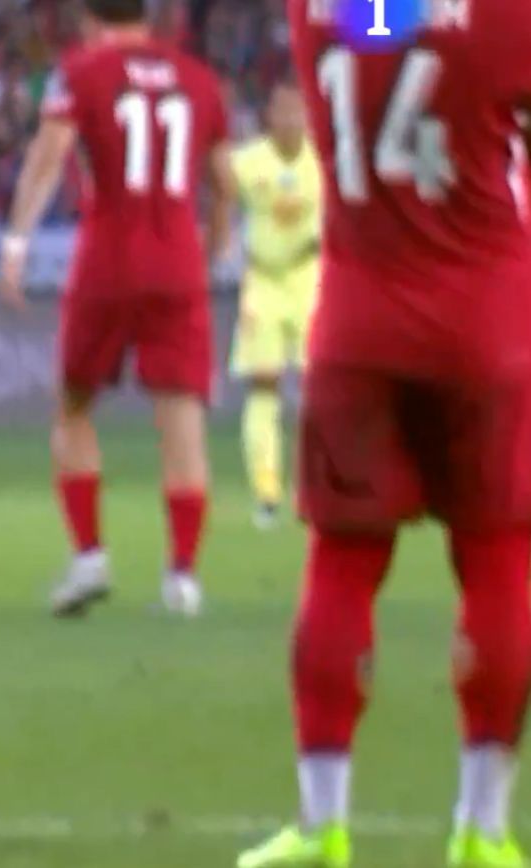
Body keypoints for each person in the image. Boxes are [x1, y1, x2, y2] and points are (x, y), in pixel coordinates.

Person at [237, 0, 531, 866]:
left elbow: (392, 25)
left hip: (355, 327)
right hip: (486, 328)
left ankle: (321, 824)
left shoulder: (320, 13)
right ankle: (483, 828)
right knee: (497, 557)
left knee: (342, 561)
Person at [0, 0, 235, 619]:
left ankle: (90, 557)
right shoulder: (199, 78)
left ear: (89, 19)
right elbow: (225, 182)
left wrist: (17, 243)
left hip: (109, 258)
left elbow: (50, 155)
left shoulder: (83, 71)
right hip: (178, 260)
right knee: (181, 420)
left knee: (74, 405)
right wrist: (214, 244)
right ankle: (182, 577)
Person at [230, 82, 323, 531]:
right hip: (262, 280)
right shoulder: (247, 162)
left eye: (297, 112)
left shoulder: (322, 161)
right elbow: (217, 189)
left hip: (309, 276)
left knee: (318, 386)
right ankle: (266, 490)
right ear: (268, 116)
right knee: (263, 384)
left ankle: (314, 486)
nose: (289, 120)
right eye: (282, 111)